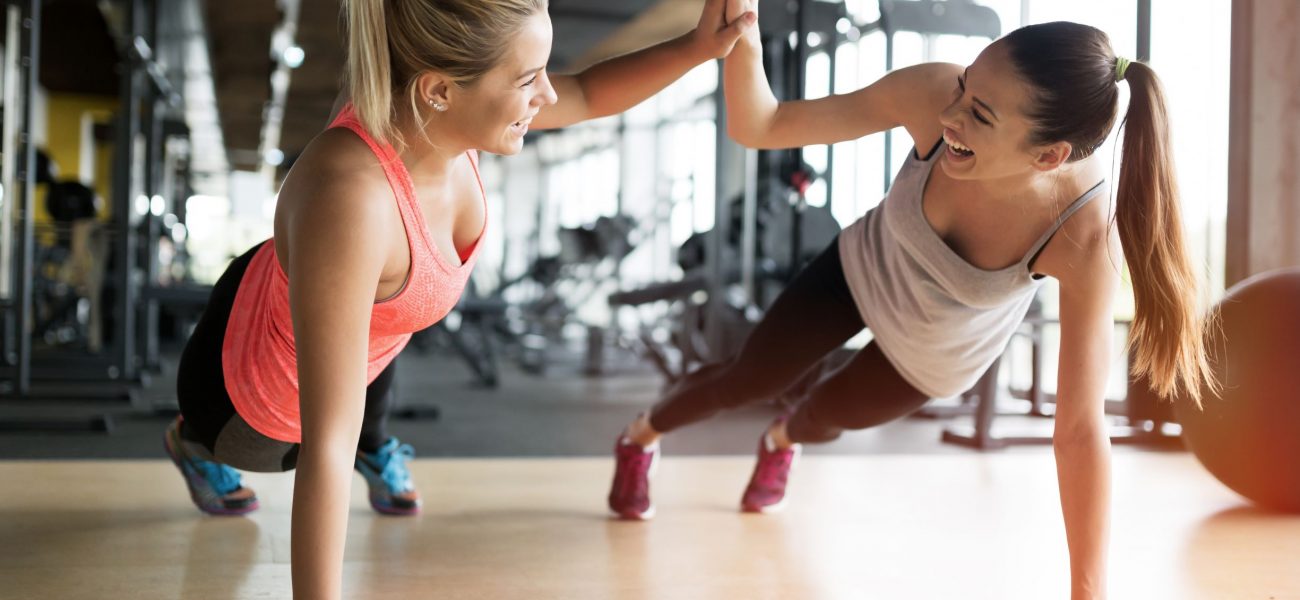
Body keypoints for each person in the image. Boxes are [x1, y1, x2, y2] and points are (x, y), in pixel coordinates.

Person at [607, 8, 1215, 599]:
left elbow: (1081, 430)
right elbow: (761, 126)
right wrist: (744, 35)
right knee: (746, 379)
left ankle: (780, 442)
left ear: (1049, 156)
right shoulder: (932, 95)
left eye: (978, 113)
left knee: (823, 417)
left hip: (934, 353)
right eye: (965, 86)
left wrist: (1089, 592)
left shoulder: (1081, 234)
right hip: (861, 268)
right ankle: (640, 437)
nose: (951, 113)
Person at [162, 0, 757, 597]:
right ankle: (190, 445)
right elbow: (326, 449)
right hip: (242, 399)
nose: (547, 95)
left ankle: (373, 435)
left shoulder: (443, 119)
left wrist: (698, 47)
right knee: (313, 437)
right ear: (439, 90)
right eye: (528, 80)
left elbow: (587, 94)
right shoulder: (352, 198)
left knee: (369, 368)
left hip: (353, 318)